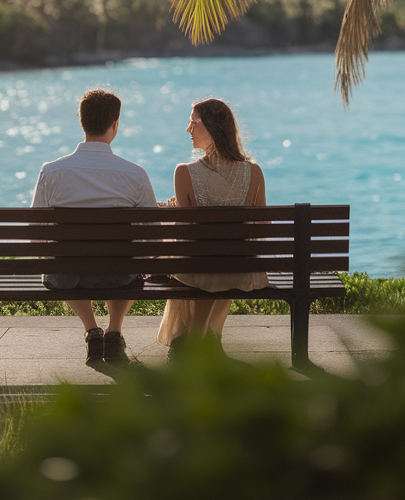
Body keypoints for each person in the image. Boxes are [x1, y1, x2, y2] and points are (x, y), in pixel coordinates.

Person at [31, 88, 157, 365]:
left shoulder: (52, 171)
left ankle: (92, 330)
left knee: (61, 262)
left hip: (68, 276)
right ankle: (114, 330)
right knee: (128, 261)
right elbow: (152, 230)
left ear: (82, 123)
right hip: (119, 275)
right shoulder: (135, 174)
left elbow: (37, 229)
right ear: (115, 125)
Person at [157, 98, 267, 351]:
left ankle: (196, 338)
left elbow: (185, 232)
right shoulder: (255, 172)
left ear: (212, 128)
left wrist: (175, 209)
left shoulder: (184, 172)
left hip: (200, 268)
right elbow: (263, 224)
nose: (188, 129)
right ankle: (210, 337)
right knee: (225, 259)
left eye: (194, 122)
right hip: (244, 269)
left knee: (200, 262)